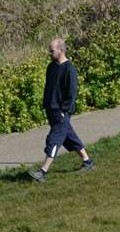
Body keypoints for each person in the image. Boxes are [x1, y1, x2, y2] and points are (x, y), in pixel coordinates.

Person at [28, 38, 93, 180]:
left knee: (54, 139)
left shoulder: (69, 69)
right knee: (69, 137)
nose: (49, 53)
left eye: (52, 51)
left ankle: (43, 171)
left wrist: (64, 110)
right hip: (51, 109)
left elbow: (71, 93)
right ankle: (87, 161)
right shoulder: (51, 67)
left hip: (61, 111)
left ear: (60, 50)